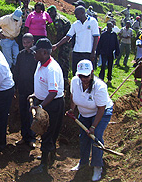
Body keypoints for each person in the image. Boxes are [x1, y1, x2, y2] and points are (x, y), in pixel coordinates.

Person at [68, 59, 113, 181]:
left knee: (96, 137)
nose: (83, 78)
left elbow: (101, 109)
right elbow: (73, 96)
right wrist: (72, 110)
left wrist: (93, 127)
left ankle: (97, 166)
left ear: (92, 72)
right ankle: (83, 162)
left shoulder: (100, 87)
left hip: (101, 113)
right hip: (84, 112)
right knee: (83, 138)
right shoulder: (74, 81)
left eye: (86, 76)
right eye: (81, 75)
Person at [29, 38, 65, 174]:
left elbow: (53, 92)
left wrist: (40, 107)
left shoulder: (52, 69)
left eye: (36, 52)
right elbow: (42, 84)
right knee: (47, 132)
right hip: (44, 101)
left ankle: (44, 166)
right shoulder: (41, 63)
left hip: (52, 104)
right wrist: (34, 94)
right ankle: (50, 156)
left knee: (47, 132)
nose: (33, 54)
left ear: (44, 52)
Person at [53, 6, 99, 76]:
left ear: (82, 13)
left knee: (88, 73)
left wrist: (93, 52)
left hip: (88, 53)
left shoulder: (93, 22)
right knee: (76, 72)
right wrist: (56, 45)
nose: (75, 16)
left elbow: (96, 37)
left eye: (77, 14)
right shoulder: (75, 24)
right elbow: (67, 37)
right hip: (77, 52)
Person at [14, 33, 37, 148]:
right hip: (22, 89)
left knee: (31, 115)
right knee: (23, 113)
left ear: (32, 42)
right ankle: (24, 136)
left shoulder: (36, 56)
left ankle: (32, 138)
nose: (26, 45)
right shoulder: (20, 55)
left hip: (32, 90)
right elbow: (16, 71)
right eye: (24, 43)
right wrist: (16, 87)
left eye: (28, 42)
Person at [47, 5, 71, 81]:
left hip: (66, 42)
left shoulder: (58, 20)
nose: (50, 15)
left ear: (55, 12)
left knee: (64, 58)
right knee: (60, 58)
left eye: (51, 13)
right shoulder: (55, 18)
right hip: (63, 40)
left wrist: (57, 44)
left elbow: (60, 35)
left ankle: (65, 77)